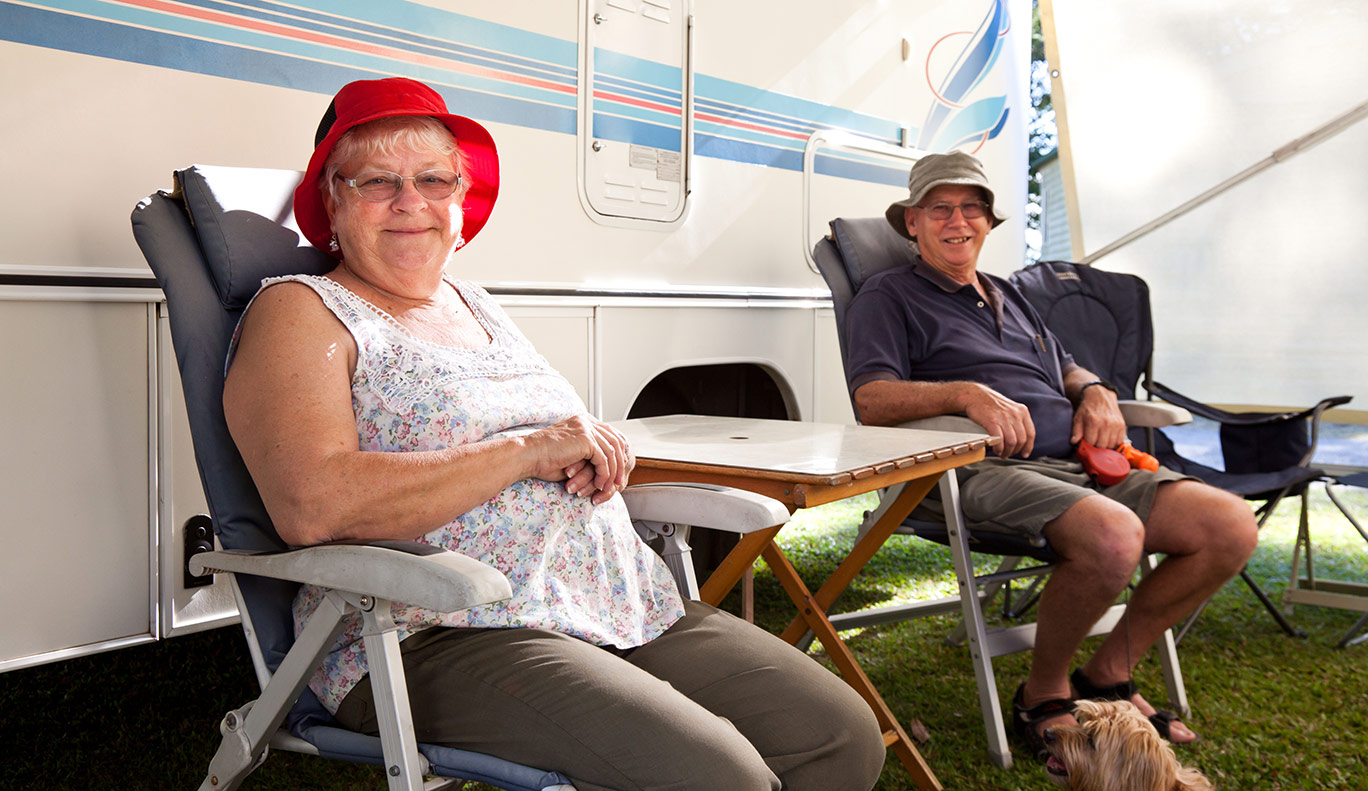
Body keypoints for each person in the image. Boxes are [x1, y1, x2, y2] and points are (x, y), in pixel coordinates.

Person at [222, 77, 885, 791]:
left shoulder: (472, 301)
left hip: (605, 599)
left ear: (459, 197)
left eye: (433, 178)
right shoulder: (304, 312)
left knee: (838, 740)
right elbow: (313, 505)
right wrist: (524, 452)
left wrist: (596, 446)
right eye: (378, 181)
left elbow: (536, 426)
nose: (410, 201)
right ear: (333, 199)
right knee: (720, 778)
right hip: (438, 628)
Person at [844, 152, 1259, 756]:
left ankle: (1108, 676)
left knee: (1230, 526)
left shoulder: (1009, 294)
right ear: (912, 222)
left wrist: (1094, 390)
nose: (957, 221)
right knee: (1116, 535)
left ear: (989, 222)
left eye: (971, 208)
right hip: (970, 471)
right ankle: (1043, 695)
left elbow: (1064, 364)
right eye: (940, 209)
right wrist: (966, 395)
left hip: (1077, 464)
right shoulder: (889, 296)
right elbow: (872, 399)